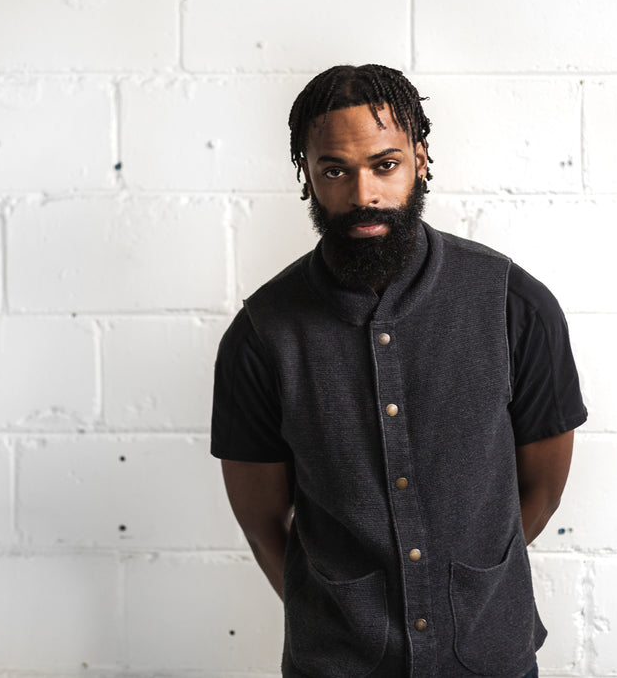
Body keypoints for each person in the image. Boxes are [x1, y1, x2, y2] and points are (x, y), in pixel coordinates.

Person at [210, 64, 587, 678]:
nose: (364, 195)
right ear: (308, 176)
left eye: (384, 165)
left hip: (490, 657)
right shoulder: (261, 336)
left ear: (420, 158)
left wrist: (466, 592)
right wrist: (337, 613)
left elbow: (541, 492)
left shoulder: (516, 306)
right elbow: (261, 520)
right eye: (336, 170)